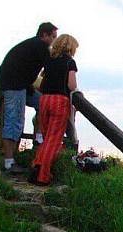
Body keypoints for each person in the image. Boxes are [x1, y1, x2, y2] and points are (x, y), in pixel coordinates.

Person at [0, 22, 58, 173]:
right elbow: (50, 67)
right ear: (44, 35)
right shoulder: (39, 45)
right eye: (53, 37)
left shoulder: (33, 46)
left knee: (42, 102)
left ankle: (38, 137)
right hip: (14, 85)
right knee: (15, 120)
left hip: (22, 84)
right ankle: (9, 162)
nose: (54, 41)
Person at [30, 34, 79, 186]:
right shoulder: (70, 62)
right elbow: (71, 85)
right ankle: (42, 175)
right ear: (70, 47)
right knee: (54, 139)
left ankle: (36, 166)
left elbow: (41, 83)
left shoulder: (49, 61)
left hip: (44, 99)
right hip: (59, 101)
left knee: (46, 138)